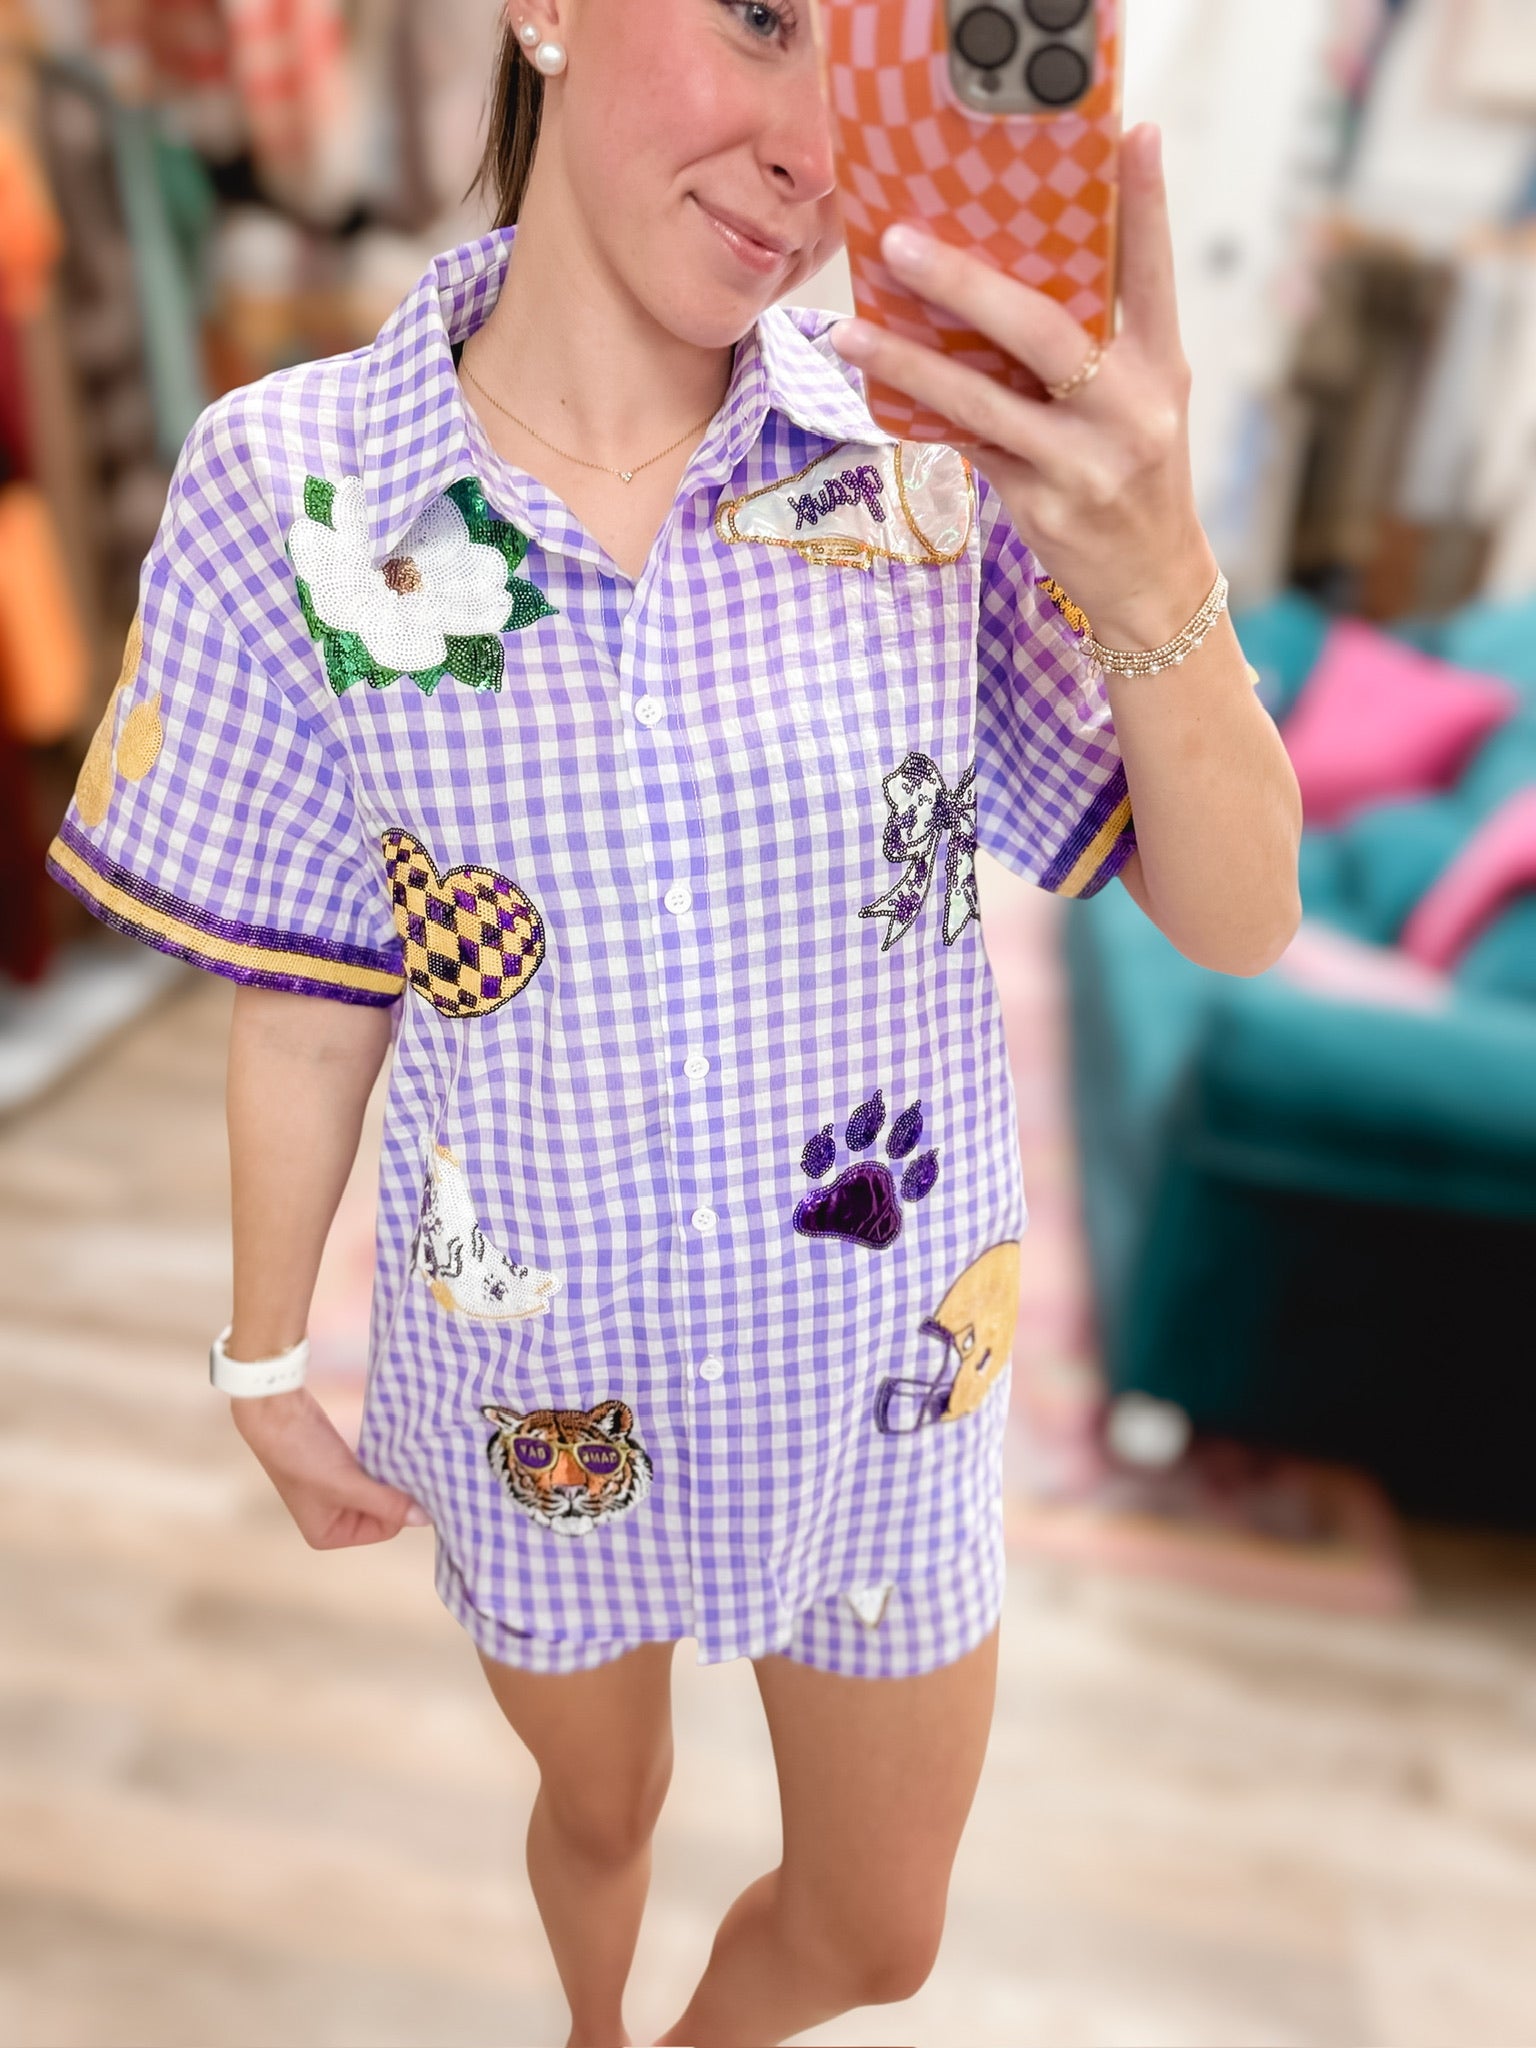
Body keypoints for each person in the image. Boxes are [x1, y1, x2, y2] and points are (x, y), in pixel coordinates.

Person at [46, 2, 1302, 2041]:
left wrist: (1155, 563)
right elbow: (311, 981)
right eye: (763, 16)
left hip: (881, 1379)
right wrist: (265, 1352)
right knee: (599, 1805)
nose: (816, 143)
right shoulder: (289, 491)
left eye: (871, 53)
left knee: (877, 1930)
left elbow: (1239, 920)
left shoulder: (928, 463)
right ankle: (590, 2017)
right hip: (534, 1383)